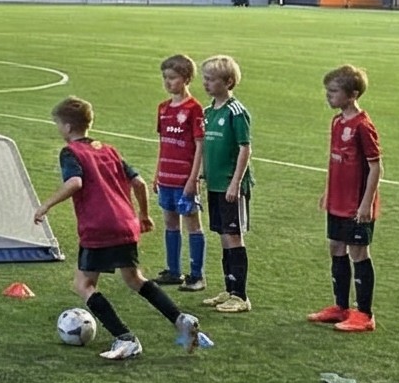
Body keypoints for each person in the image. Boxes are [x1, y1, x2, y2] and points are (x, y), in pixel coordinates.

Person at [31, 96, 208, 362]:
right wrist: (144, 215)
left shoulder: (71, 152)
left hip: (99, 226)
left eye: (58, 124)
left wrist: (46, 205)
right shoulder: (108, 150)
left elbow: (76, 182)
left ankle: (125, 338)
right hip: (125, 222)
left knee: (83, 284)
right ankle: (181, 320)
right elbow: (138, 183)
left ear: (67, 127)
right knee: (135, 279)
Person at [308, 65, 381, 334]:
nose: (328, 95)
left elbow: (376, 167)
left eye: (333, 91)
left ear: (352, 95)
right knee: (336, 248)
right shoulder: (337, 122)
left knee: (358, 252)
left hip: (356, 204)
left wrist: (366, 203)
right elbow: (335, 160)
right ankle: (340, 306)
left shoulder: (363, 126)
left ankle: (364, 314)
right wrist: (328, 191)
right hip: (337, 199)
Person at [198, 55, 253, 313]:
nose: (205, 83)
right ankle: (229, 289)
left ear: (228, 82)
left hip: (231, 186)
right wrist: (201, 175)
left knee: (233, 236)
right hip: (215, 184)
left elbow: (245, 148)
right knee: (223, 235)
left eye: (211, 79)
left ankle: (240, 295)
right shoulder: (208, 112)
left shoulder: (236, 112)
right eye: (205, 79)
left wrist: (235, 183)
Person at [153, 54, 207, 292]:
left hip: (185, 179)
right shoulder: (163, 108)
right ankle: (173, 270)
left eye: (173, 77)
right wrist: (157, 173)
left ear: (186, 79)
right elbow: (163, 143)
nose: (168, 82)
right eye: (165, 77)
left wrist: (194, 178)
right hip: (166, 177)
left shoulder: (194, 109)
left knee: (192, 223)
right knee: (170, 222)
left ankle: (197, 275)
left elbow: (200, 146)